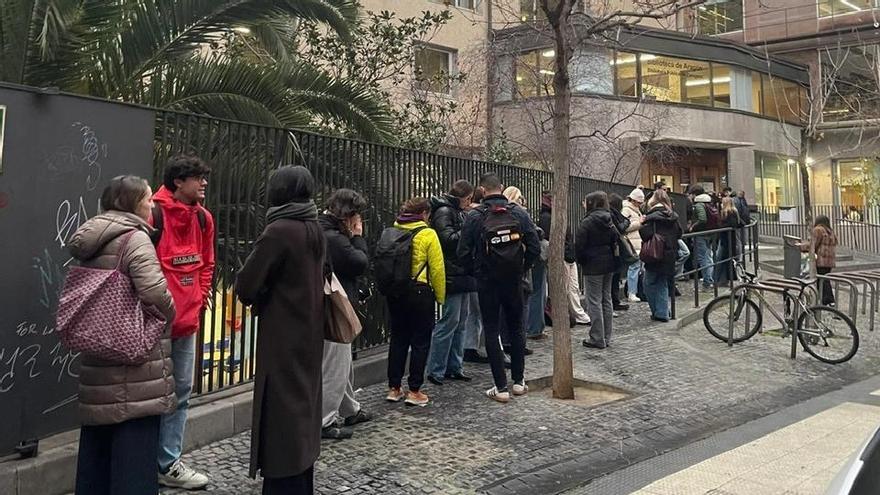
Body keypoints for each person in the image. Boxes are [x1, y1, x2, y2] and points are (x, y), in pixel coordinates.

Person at [69, 175, 176, 495]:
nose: (152, 206)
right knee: (134, 457)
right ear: (131, 204)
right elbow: (154, 292)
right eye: (148, 199)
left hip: (98, 350)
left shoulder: (92, 237)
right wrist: (168, 313)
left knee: (98, 452)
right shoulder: (135, 238)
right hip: (134, 361)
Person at [236, 165, 325, 494]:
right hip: (309, 332)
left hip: (282, 334)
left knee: (280, 416)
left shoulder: (280, 231)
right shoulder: (313, 227)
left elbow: (246, 284)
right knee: (302, 409)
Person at [152, 154, 214, 490]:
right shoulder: (153, 213)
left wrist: (198, 299)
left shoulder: (203, 218)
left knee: (182, 392)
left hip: (186, 323)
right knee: (148, 395)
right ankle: (145, 461)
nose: (204, 183)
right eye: (197, 177)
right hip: (153, 325)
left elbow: (207, 263)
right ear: (178, 181)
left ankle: (167, 462)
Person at [458, 172, 540, 403]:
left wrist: (477, 272)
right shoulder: (519, 213)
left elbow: (463, 252)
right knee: (516, 327)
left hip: (487, 281)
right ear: (501, 188)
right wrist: (522, 268)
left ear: (482, 191)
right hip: (514, 279)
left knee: (492, 330)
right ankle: (519, 382)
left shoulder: (475, 216)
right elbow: (534, 246)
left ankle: (501, 387)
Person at [318, 189, 373, 440]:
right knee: (335, 365)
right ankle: (325, 420)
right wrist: (358, 237)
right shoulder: (334, 238)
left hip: (330, 305)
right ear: (348, 215)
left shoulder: (323, 230)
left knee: (343, 363)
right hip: (335, 308)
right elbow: (359, 263)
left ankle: (351, 408)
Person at [384, 198, 446, 406]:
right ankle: (414, 390)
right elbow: (437, 269)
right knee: (420, 341)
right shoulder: (428, 234)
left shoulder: (392, 231)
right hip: (420, 292)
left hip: (396, 292)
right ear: (424, 214)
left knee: (398, 339)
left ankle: (394, 388)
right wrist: (440, 296)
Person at [426, 180, 475, 386]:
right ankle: (437, 368)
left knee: (460, 321)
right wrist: (469, 230)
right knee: (449, 321)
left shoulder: (456, 212)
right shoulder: (445, 212)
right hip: (451, 273)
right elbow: (447, 240)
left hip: (461, 272)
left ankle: (454, 366)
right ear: (464, 197)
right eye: (469, 198)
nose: (470, 203)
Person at [538, 192, 590, 328]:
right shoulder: (547, 217)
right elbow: (551, 239)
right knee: (566, 287)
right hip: (562, 255)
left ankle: (578, 313)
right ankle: (574, 314)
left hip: (567, 254)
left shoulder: (555, 215)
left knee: (573, 287)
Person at [576, 191, 618, 349]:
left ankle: (597, 337)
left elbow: (579, 245)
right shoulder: (609, 218)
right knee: (606, 299)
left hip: (592, 265)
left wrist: (581, 260)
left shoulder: (587, 221)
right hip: (609, 263)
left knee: (594, 301)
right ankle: (606, 336)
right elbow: (615, 239)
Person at [639, 189, 683, 322]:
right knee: (662, 282)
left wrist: (641, 223)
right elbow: (679, 233)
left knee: (648, 283)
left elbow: (645, 235)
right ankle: (663, 312)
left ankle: (659, 312)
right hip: (670, 253)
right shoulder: (673, 216)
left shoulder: (650, 217)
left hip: (655, 253)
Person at [462, 188, 489, 364]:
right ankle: (474, 347)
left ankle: (470, 346)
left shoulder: (468, 215)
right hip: (478, 270)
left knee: (472, 312)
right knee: (479, 311)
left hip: (471, 270)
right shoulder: (478, 216)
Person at [801, 215, 838, 306]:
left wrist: (801, 246)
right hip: (829, 261)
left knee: (821, 280)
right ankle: (824, 300)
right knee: (824, 279)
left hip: (820, 260)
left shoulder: (818, 230)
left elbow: (812, 245)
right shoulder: (830, 231)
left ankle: (828, 300)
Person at [609, 193, 632, 312]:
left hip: (615, 249)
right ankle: (614, 301)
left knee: (616, 276)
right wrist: (627, 222)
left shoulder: (613, 214)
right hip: (614, 249)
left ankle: (615, 300)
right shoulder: (612, 214)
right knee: (614, 277)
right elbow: (620, 228)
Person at [622, 188, 645, 303]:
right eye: (639, 202)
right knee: (634, 267)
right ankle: (632, 292)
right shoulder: (626, 210)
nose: (640, 204)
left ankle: (632, 291)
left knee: (637, 267)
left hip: (636, 242)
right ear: (634, 200)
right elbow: (624, 227)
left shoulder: (635, 210)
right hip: (632, 242)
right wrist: (639, 223)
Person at [690, 191, 716, 290]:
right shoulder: (710, 205)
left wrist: (693, 226)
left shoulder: (699, 206)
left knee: (702, 258)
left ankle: (707, 282)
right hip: (710, 234)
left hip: (701, 234)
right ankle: (710, 280)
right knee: (708, 257)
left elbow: (702, 219)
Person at [714, 197, 742, 286]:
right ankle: (722, 279)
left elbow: (732, 224)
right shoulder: (733, 211)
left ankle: (718, 279)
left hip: (726, 240)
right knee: (723, 259)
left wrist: (720, 227)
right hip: (728, 239)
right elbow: (739, 223)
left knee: (720, 259)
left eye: (722, 202)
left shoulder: (729, 212)